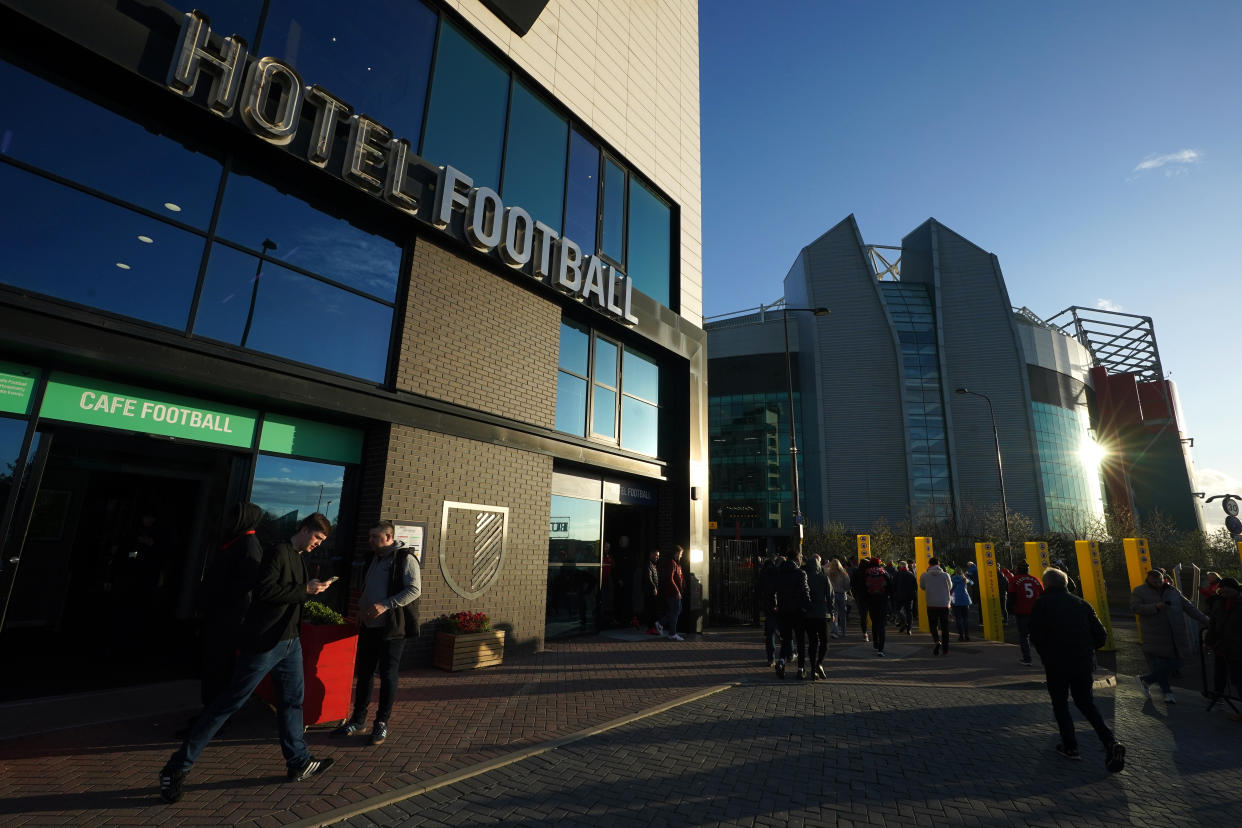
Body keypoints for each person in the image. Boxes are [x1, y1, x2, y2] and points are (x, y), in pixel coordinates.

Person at [160, 513, 336, 803]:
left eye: (321, 541)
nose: (318, 544)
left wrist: (311, 588)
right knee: (229, 702)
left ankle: (299, 762)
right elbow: (265, 591)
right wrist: (305, 589)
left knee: (291, 702)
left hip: (290, 643)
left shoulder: (300, 558)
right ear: (304, 530)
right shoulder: (277, 552)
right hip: (266, 645)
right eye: (317, 538)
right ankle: (176, 768)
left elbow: (289, 594)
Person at [332, 521, 421, 745]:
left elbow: (414, 590)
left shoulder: (405, 559)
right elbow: (366, 588)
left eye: (375, 537)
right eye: (370, 536)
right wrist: (361, 611)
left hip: (392, 629)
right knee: (364, 674)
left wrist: (385, 605)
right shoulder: (371, 558)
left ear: (389, 537)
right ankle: (358, 719)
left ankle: (381, 723)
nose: (370, 540)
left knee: (388, 675)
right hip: (369, 626)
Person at [1028, 567, 1125, 772]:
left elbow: (1035, 634)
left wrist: (1046, 652)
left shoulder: (1042, 604)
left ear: (1046, 584)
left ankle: (1070, 746)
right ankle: (1110, 741)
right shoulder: (1082, 604)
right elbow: (1100, 636)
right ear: (1066, 583)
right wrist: (1086, 648)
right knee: (1086, 703)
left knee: (1060, 704)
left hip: (1056, 663)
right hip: (1082, 662)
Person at [197, 503, 265, 710]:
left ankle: (213, 718)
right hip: (220, 615)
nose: (229, 521)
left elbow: (245, 585)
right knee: (213, 667)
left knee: (220, 668)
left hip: (228, 619)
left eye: (235, 517)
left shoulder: (248, 545)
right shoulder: (237, 542)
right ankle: (208, 712)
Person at [1131, 568, 1209, 704]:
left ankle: (1146, 680)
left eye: (1159, 580)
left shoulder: (1173, 591)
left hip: (1175, 635)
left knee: (1177, 662)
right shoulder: (1139, 591)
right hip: (1155, 635)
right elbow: (1135, 608)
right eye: (1154, 581)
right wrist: (1155, 607)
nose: (1157, 583)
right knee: (1160, 665)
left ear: (1163, 578)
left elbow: (1189, 608)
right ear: (1148, 579)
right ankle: (1167, 693)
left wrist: (1206, 620)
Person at [1205, 577, 1242, 702]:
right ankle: (1218, 694)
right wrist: (1209, 641)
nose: (1225, 590)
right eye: (1223, 588)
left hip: (1237, 647)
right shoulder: (1218, 602)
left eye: (1228, 588)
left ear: (1235, 589)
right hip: (1221, 645)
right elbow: (1213, 624)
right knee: (1220, 672)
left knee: (1237, 678)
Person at [774, 550, 810, 679]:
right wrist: (807, 606)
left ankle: (782, 662)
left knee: (786, 639)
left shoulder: (780, 572)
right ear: (796, 558)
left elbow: (776, 591)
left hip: (784, 611)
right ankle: (800, 669)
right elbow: (805, 592)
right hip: (798, 611)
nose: (801, 559)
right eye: (800, 557)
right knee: (800, 641)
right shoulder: (800, 573)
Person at [1007, 562, 1043, 666]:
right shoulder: (1036, 580)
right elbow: (1043, 595)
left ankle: (1027, 658)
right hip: (1036, 612)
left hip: (1022, 611)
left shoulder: (1015, 580)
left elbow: (1011, 596)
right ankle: (1045, 657)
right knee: (1038, 636)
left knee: (1024, 636)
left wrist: (1011, 610)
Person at [803, 553, 831, 679]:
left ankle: (813, 668)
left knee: (812, 642)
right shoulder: (824, 578)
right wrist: (831, 611)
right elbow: (830, 596)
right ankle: (820, 663)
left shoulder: (804, 577)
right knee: (824, 641)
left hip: (808, 614)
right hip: (822, 614)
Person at [860, 557, 891, 656]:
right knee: (881, 624)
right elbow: (890, 587)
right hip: (883, 601)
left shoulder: (866, 573)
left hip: (871, 601)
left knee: (874, 622)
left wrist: (866, 600)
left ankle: (875, 642)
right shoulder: (884, 573)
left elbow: (863, 588)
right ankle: (881, 649)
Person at [920, 557, 952, 655]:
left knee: (933, 625)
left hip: (931, 604)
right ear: (939, 564)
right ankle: (945, 649)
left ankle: (937, 641)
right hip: (944, 604)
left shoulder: (924, 575)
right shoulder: (946, 575)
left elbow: (922, 587)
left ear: (929, 564)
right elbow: (950, 586)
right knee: (945, 627)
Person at [659, 545, 686, 641]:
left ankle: (660, 623)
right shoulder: (672, 563)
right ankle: (672, 633)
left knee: (676, 611)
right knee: (675, 612)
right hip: (672, 593)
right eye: (681, 554)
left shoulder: (675, 563)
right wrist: (677, 591)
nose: (681, 556)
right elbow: (670, 579)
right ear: (676, 553)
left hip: (674, 592)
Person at [759, 552, 782, 664]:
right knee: (783, 631)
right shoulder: (778, 574)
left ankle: (771, 658)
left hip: (768, 606)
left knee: (770, 633)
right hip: (777, 605)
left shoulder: (763, 574)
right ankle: (787, 654)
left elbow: (760, 589)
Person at [826, 558, 850, 639]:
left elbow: (823, 567)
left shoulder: (829, 573)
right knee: (843, 614)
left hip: (832, 595)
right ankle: (844, 631)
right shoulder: (844, 574)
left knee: (834, 614)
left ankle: (835, 632)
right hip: (842, 594)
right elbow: (847, 586)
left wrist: (827, 564)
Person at [849, 557, 871, 642]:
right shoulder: (869, 572)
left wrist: (855, 595)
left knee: (863, 616)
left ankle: (864, 633)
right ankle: (875, 633)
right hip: (870, 596)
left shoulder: (856, 572)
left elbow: (852, 584)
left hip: (860, 597)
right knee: (873, 614)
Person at [892, 562, 917, 635]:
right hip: (909, 597)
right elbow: (915, 586)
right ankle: (909, 629)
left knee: (898, 610)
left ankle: (904, 623)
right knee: (909, 612)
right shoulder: (911, 574)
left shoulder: (897, 574)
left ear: (900, 567)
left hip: (899, 596)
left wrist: (894, 594)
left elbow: (893, 586)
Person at [950, 565, 973, 642]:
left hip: (955, 600)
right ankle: (967, 635)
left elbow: (949, 588)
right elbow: (972, 583)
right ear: (961, 572)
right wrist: (965, 576)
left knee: (958, 619)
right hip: (965, 600)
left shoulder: (952, 579)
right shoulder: (964, 578)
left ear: (955, 572)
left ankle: (961, 636)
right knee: (965, 619)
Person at [642, 548, 661, 635]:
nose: (657, 557)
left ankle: (651, 627)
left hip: (652, 591)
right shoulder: (648, 564)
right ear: (651, 555)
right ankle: (650, 628)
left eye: (658, 556)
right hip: (650, 592)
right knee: (651, 610)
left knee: (652, 609)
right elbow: (648, 577)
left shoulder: (652, 565)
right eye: (656, 555)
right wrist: (654, 588)